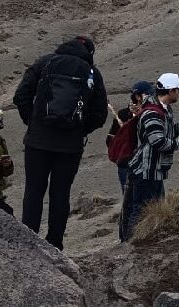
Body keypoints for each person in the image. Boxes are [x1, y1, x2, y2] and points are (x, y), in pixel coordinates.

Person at [13, 36, 108, 250]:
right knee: (60, 194)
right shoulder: (92, 73)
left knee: (34, 190)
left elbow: (21, 95)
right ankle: (55, 245)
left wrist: (33, 122)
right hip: (69, 146)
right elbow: (100, 114)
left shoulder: (44, 62)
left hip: (38, 142)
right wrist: (80, 130)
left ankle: (28, 243)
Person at [119, 73, 179, 242]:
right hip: (146, 170)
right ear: (170, 91)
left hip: (154, 169)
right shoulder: (152, 112)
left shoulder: (162, 109)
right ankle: (130, 242)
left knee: (146, 207)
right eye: (177, 90)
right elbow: (158, 141)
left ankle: (139, 239)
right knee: (140, 209)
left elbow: (166, 132)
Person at [106, 80, 153, 193]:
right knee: (131, 198)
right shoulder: (123, 115)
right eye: (148, 94)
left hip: (146, 163)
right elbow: (110, 139)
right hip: (127, 163)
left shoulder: (148, 112)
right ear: (137, 96)